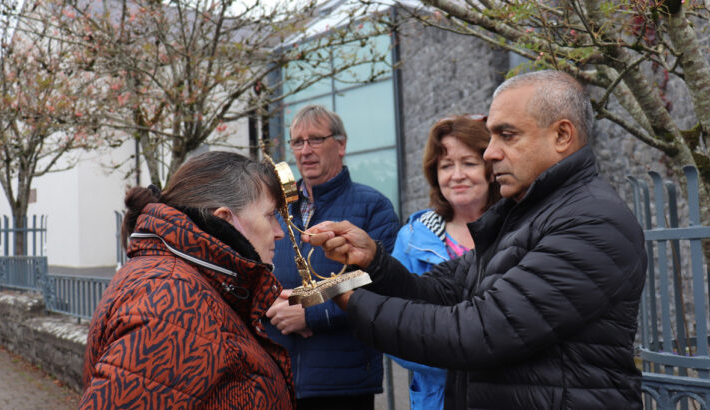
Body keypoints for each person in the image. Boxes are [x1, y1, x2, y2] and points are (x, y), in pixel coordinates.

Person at [305, 70, 647, 409]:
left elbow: (479, 331)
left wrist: (349, 298)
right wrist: (374, 263)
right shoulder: (524, 215)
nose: (489, 153)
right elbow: (441, 292)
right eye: (492, 137)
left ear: (561, 135)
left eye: (507, 136)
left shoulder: (592, 221)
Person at [81, 151, 294, 409]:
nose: (279, 232)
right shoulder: (174, 300)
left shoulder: (188, 282)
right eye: (270, 216)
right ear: (224, 218)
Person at [264, 104, 399, 410]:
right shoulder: (276, 209)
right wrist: (270, 302)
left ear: (341, 145)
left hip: (343, 382)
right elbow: (254, 270)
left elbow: (369, 281)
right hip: (278, 376)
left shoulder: (373, 207)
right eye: (297, 142)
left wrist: (307, 310)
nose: (305, 150)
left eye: (315, 139)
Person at [390, 114, 500, 410]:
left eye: (469, 163)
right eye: (446, 165)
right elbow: (394, 327)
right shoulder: (411, 239)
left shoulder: (516, 229)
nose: (457, 175)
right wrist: (459, 362)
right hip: (438, 399)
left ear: (490, 170)